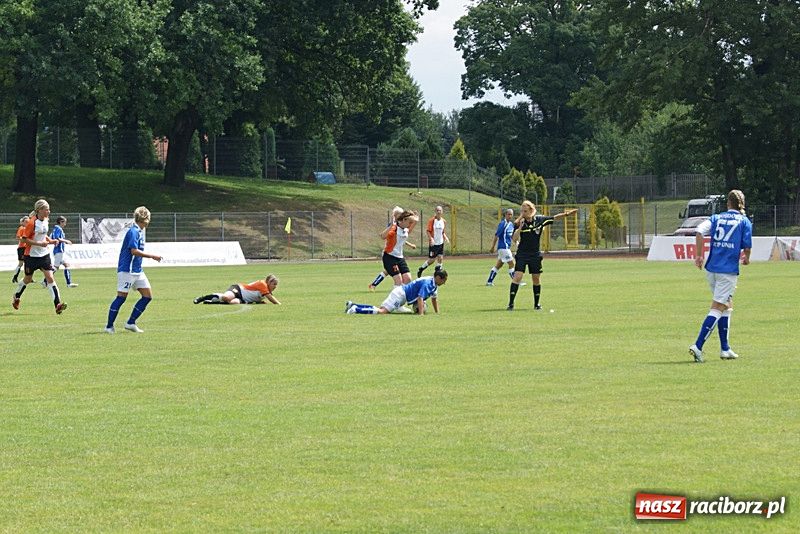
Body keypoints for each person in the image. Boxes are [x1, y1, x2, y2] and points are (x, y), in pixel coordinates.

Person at [688, 189, 752, 363]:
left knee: (727, 305)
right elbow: (747, 247)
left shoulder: (716, 218)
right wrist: (747, 258)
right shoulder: (744, 221)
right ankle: (698, 345)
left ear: (728, 204)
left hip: (712, 268)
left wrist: (699, 255)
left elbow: (700, 231)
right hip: (727, 270)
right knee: (718, 307)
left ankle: (725, 349)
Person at [507, 200, 578, 311]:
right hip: (522, 254)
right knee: (517, 277)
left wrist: (567, 214)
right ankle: (510, 304)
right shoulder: (519, 223)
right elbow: (514, 239)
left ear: (531, 210)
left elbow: (554, 217)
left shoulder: (539, 220)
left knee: (536, 279)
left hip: (535, 255)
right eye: (522, 211)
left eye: (525, 211)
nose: (523, 213)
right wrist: (520, 228)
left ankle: (536, 304)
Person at [105, 206, 162, 333]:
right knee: (121, 298)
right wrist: (152, 256)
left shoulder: (139, 231)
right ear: (145, 218)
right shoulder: (133, 231)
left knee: (147, 296)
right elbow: (134, 251)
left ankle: (130, 322)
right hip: (127, 270)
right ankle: (109, 326)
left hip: (137, 270)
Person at [11, 200, 67, 314]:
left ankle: (57, 304)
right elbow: (24, 239)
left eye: (49, 209)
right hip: (31, 256)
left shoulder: (46, 220)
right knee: (28, 279)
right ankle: (16, 296)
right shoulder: (32, 223)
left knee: (50, 278)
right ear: (39, 210)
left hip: (44, 255)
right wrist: (40, 244)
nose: (49, 211)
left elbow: (42, 234)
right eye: (46, 209)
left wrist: (50, 240)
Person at [346, 269, 447, 315]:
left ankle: (353, 305)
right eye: (443, 280)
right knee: (383, 312)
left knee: (380, 309)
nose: (444, 283)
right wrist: (421, 314)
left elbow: (434, 299)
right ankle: (355, 309)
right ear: (438, 278)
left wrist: (437, 313)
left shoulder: (433, 285)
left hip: (402, 295)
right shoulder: (427, 283)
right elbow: (420, 298)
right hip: (400, 295)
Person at [368, 206, 404, 291]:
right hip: (390, 253)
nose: (402, 215)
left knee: (387, 271)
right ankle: (398, 289)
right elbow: (387, 236)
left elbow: (400, 239)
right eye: (400, 214)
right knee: (392, 272)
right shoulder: (392, 225)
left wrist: (410, 245)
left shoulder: (401, 225)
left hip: (397, 253)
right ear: (396, 215)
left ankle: (373, 285)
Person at [379, 209, 418, 286]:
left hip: (400, 258)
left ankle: (402, 297)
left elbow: (408, 231)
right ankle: (395, 297)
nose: (411, 224)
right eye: (410, 222)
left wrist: (415, 220)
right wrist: (390, 226)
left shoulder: (405, 229)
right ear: (404, 220)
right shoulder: (394, 228)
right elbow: (382, 236)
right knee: (398, 280)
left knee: (408, 279)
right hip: (389, 257)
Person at [193, 275, 281, 305]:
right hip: (238, 289)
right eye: (274, 284)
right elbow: (271, 299)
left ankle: (212, 302)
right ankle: (202, 298)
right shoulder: (263, 284)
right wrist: (279, 304)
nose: (275, 286)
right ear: (268, 282)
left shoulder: (267, 291)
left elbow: (256, 297)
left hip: (243, 299)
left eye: (276, 284)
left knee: (233, 303)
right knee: (226, 297)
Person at [486, 208, 518, 286]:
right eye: (509, 214)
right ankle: (516, 282)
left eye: (511, 214)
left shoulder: (511, 225)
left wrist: (517, 243)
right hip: (503, 247)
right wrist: (493, 247)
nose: (510, 216)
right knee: (512, 263)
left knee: (498, 265)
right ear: (505, 215)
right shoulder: (503, 224)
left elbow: (511, 236)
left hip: (506, 248)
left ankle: (489, 281)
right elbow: (496, 235)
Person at [417, 205, 449, 277]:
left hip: (440, 243)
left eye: (440, 210)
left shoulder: (443, 221)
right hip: (434, 244)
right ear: (435, 211)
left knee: (440, 258)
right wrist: (431, 239)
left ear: (442, 212)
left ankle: (438, 273)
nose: (438, 212)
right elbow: (428, 231)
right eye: (437, 210)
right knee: (431, 260)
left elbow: (442, 232)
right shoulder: (432, 220)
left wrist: (445, 237)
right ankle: (421, 269)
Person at [50, 216, 78, 288]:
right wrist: (66, 241)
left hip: (59, 251)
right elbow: (57, 238)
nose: (65, 224)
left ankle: (69, 283)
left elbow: (51, 237)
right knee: (55, 267)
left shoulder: (56, 229)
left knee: (66, 265)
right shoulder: (58, 229)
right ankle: (45, 280)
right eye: (64, 222)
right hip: (58, 250)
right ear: (61, 222)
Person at [11, 215, 29, 284]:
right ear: (23, 222)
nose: (27, 223)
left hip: (26, 248)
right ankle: (15, 277)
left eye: (28, 222)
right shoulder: (21, 228)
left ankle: (28, 278)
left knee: (27, 263)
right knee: (21, 263)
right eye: (26, 222)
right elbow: (18, 237)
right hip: (22, 248)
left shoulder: (27, 229)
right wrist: (25, 240)